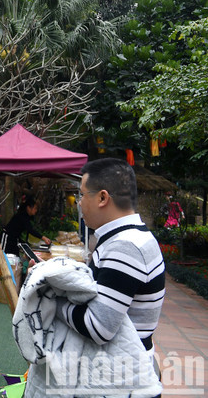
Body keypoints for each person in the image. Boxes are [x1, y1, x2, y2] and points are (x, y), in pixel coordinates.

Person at [57, 158, 165, 378]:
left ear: (103, 197)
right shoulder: (132, 237)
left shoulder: (125, 247)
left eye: (82, 194)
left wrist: (53, 301)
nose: (79, 202)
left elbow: (98, 327)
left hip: (121, 377)